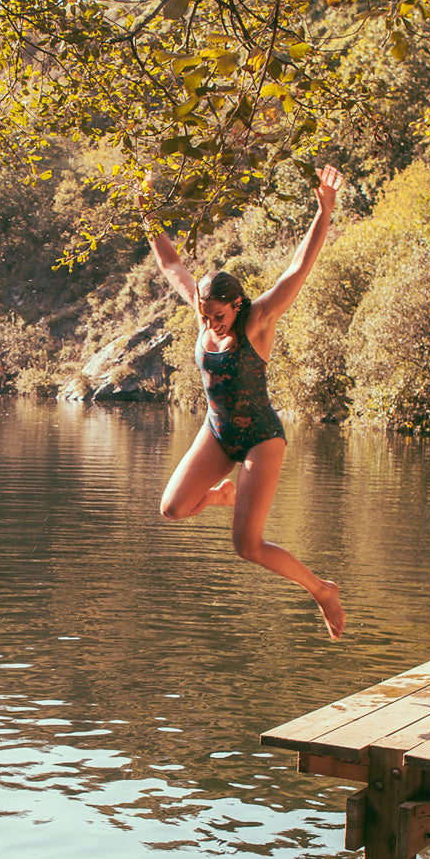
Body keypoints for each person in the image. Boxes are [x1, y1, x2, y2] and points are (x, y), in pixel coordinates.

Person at [139, 165, 346, 640]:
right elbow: (169, 262)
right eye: (205, 315)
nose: (210, 323)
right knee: (172, 509)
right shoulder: (202, 311)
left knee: (247, 546)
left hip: (259, 438)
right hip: (218, 429)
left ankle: (321, 589)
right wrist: (145, 203)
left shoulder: (259, 320)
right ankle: (218, 495)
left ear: (237, 306)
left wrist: (324, 211)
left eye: (217, 316)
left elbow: (298, 268)